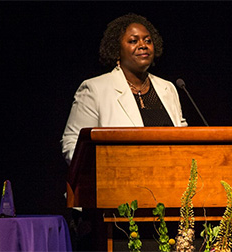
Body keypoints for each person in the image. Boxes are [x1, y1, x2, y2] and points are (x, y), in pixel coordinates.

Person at [61, 13, 187, 165]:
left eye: (148, 40)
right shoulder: (95, 89)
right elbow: (73, 143)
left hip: (168, 180)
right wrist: (105, 170)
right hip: (116, 181)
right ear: (117, 50)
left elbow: (183, 139)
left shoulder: (168, 88)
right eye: (134, 41)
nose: (143, 45)